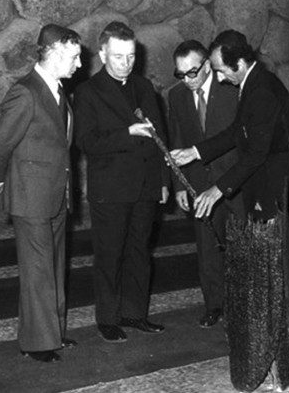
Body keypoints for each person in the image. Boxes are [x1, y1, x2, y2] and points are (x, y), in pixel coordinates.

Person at [0, 24, 82, 362]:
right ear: (55, 54)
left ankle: (52, 333)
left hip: (56, 195)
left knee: (55, 267)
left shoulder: (58, 91)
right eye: (73, 57)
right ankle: (37, 343)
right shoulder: (25, 92)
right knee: (38, 271)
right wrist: (1, 179)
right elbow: (1, 144)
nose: (79, 65)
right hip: (30, 197)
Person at [74, 21, 169, 342]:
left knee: (140, 252)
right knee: (110, 255)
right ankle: (108, 319)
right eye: (118, 57)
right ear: (102, 54)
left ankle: (135, 313)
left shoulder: (144, 87)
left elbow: (161, 140)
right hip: (110, 189)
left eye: (130, 56)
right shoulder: (87, 92)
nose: (125, 63)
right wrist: (127, 134)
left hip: (144, 187)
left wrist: (163, 182)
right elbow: (86, 141)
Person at [170, 29, 289, 222]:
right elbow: (236, 131)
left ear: (240, 63)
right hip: (271, 187)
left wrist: (216, 190)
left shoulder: (261, 91)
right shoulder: (252, 83)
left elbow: (256, 153)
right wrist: (195, 152)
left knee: (286, 250)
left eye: (222, 71)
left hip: (283, 192)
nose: (220, 79)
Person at [167, 40, 244, 328]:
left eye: (193, 72)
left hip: (235, 182)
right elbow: (176, 139)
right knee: (208, 248)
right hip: (198, 184)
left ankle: (243, 307)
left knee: (241, 245)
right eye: (181, 74)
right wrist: (178, 184)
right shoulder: (177, 97)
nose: (187, 80)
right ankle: (214, 305)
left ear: (208, 65)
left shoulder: (232, 90)